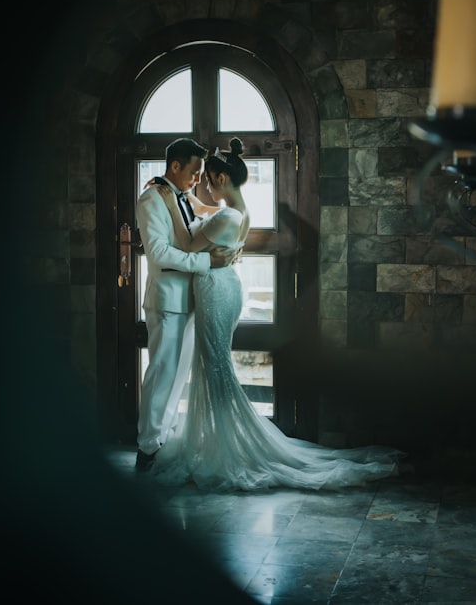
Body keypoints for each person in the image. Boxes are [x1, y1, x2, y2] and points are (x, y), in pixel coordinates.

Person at [148, 138, 406, 491]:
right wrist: (184, 201)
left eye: (207, 178)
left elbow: (190, 242)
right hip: (221, 287)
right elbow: (201, 223)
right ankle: (213, 439)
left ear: (222, 180)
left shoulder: (223, 215)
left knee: (215, 366)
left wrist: (173, 202)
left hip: (215, 288)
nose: (203, 184)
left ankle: (227, 443)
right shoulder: (237, 211)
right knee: (213, 365)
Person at [134, 137, 238, 471]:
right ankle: (148, 446)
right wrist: (210, 264)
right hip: (167, 300)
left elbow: (198, 228)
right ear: (175, 166)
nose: (197, 179)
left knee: (178, 375)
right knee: (162, 373)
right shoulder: (151, 198)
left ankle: (163, 438)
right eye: (193, 172)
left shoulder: (181, 196)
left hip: (192, 298)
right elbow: (159, 253)